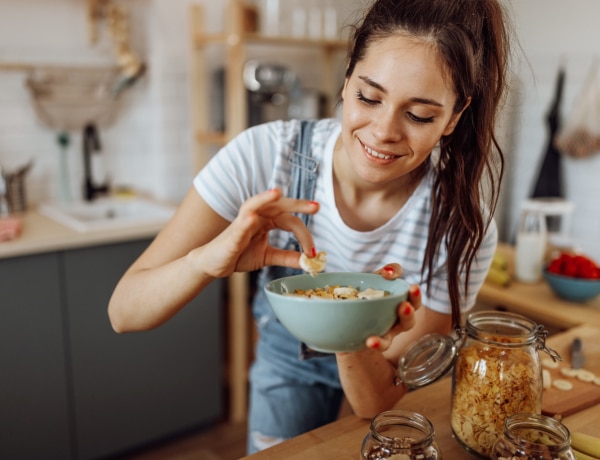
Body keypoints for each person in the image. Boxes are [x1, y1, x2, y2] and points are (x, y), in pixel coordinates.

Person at [108, 0, 511, 454]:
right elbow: (125, 312)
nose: (382, 131)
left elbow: (378, 400)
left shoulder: (461, 226)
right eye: (368, 97)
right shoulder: (265, 155)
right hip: (287, 366)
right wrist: (205, 261)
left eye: (419, 115)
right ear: (345, 80)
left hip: (373, 373)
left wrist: (350, 325)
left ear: (454, 118)